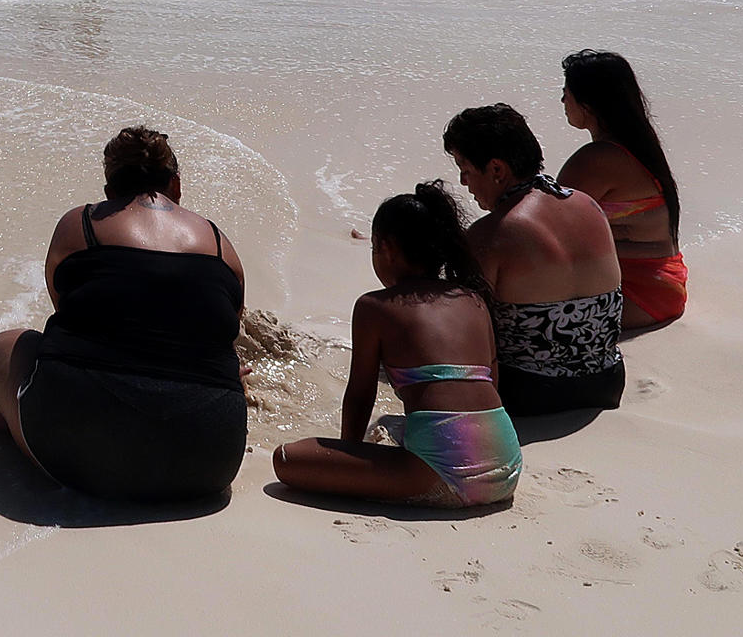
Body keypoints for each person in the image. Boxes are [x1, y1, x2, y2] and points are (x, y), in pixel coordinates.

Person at [0, 127, 248, 502]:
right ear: (176, 185)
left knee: (10, 345)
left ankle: (5, 420)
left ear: (110, 191)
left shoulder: (80, 225)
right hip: (210, 465)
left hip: (85, 461)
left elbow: (68, 318)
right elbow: (227, 334)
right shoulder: (221, 245)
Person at [273, 183, 522, 508]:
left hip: (447, 474)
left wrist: (350, 453)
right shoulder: (472, 300)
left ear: (387, 248)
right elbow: (491, 382)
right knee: (394, 426)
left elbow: (361, 394)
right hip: (506, 464)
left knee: (287, 459)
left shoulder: (374, 307)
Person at [444, 104, 625, 416]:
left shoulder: (490, 235)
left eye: (465, 169)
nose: (463, 181)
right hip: (607, 382)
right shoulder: (589, 206)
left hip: (532, 392)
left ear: (497, 169)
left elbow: (461, 332)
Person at [556, 50, 687, 331]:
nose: (562, 100)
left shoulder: (599, 158)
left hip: (638, 293)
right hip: (663, 284)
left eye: (566, 92)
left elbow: (546, 223)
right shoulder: (639, 146)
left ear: (588, 103)